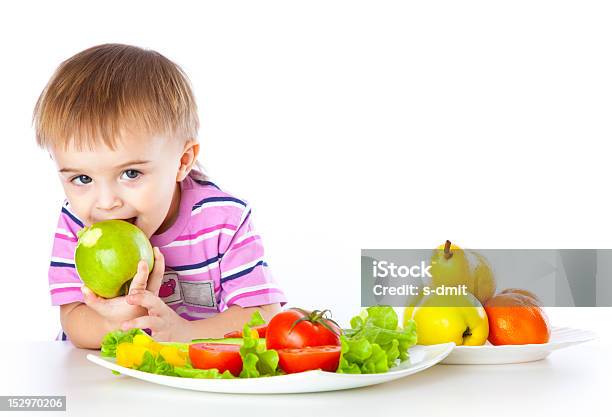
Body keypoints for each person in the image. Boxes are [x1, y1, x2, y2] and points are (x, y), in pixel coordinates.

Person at [33, 44, 287, 349]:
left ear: (182, 161)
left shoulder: (222, 220)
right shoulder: (77, 224)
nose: (106, 202)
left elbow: (263, 315)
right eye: (82, 178)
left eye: (131, 174)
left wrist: (185, 333)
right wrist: (116, 321)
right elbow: (74, 321)